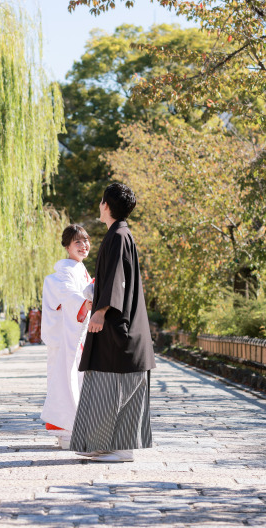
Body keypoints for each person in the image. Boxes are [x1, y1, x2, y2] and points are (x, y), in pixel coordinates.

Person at [69, 183, 155, 462]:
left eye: (100, 201)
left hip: (118, 325)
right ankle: (110, 445)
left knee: (112, 385)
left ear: (106, 205)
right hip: (122, 325)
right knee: (114, 386)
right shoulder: (120, 234)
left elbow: (117, 277)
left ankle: (120, 447)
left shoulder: (118, 235)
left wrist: (101, 310)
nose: (98, 205)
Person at [40, 224, 94, 449]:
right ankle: (68, 430)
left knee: (77, 381)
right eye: (77, 242)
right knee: (66, 381)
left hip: (77, 336)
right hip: (66, 339)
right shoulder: (64, 272)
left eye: (86, 241)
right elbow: (69, 295)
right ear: (67, 246)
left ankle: (74, 428)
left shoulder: (80, 270)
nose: (84, 246)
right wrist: (88, 301)